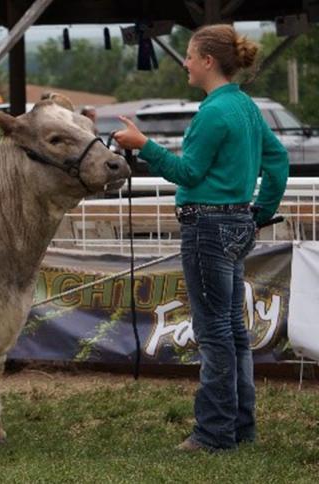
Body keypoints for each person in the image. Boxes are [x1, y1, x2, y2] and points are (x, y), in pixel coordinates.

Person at [114, 24, 289, 452]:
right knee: (232, 331)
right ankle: (240, 427)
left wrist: (143, 145)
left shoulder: (212, 112)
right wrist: (259, 212)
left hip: (206, 228)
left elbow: (188, 173)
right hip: (236, 225)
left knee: (214, 335)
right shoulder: (245, 107)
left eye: (190, 57)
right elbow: (278, 160)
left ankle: (212, 434)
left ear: (208, 61)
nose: (186, 65)